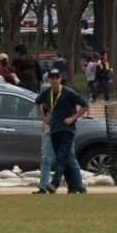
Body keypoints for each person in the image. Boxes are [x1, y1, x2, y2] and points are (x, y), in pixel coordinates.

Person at [34, 66, 87, 195]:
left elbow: (85, 105)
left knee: (62, 156)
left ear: (60, 79)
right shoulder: (47, 93)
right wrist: (44, 118)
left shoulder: (68, 92)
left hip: (67, 129)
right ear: (49, 80)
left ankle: (55, 183)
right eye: (52, 78)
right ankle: (77, 186)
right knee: (67, 158)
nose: (54, 81)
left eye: (56, 78)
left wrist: (73, 118)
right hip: (54, 129)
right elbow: (37, 102)